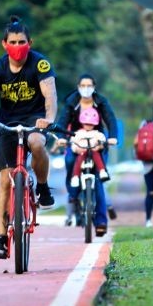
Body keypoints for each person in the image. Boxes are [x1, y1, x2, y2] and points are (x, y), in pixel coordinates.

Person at [0, 15, 58, 258]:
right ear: (4, 44)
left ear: (30, 42)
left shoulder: (40, 65)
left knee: (37, 142)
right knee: (5, 180)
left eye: (22, 42)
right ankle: (0, 238)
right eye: (13, 42)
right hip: (6, 121)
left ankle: (43, 187)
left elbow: (50, 96)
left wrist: (48, 119)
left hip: (35, 118)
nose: (18, 47)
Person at [55, 74, 119, 229]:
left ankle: (101, 221)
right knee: (70, 161)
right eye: (82, 85)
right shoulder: (72, 102)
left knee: (98, 181)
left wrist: (112, 138)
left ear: (94, 87)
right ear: (78, 87)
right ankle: (74, 194)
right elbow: (63, 121)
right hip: (77, 140)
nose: (86, 88)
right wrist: (61, 138)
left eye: (89, 85)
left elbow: (111, 120)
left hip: (97, 142)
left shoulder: (101, 102)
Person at [69, 108, 110, 187]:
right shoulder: (78, 133)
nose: (88, 126)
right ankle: (75, 176)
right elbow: (73, 142)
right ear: (82, 123)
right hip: (82, 152)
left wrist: (100, 145)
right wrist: (76, 149)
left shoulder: (96, 133)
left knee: (97, 154)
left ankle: (102, 171)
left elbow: (102, 140)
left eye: (91, 124)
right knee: (78, 159)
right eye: (86, 123)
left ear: (95, 124)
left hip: (93, 152)